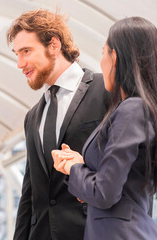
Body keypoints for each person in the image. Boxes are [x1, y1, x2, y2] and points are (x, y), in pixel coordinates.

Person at [6, 9, 110, 239]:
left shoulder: (106, 90)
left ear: (54, 45)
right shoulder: (33, 116)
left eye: (26, 51)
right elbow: (30, 192)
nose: (19, 63)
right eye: (17, 54)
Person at [52, 16, 157, 239]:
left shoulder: (132, 110)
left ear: (115, 57)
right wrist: (81, 166)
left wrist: (73, 167)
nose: (101, 62)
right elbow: (113, 186)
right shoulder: (139, 109)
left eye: (103, 52)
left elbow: (104, 193)